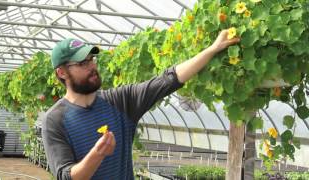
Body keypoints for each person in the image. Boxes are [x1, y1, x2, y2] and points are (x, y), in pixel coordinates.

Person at [42, 29, 239, 180]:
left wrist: (213, 49)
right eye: (82, 64)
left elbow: (168, 80)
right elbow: (65, 175)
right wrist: (97, 154)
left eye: (92, 59)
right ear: (61, 73)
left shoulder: (120, 101)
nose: (92, 66)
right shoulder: (56, 119)